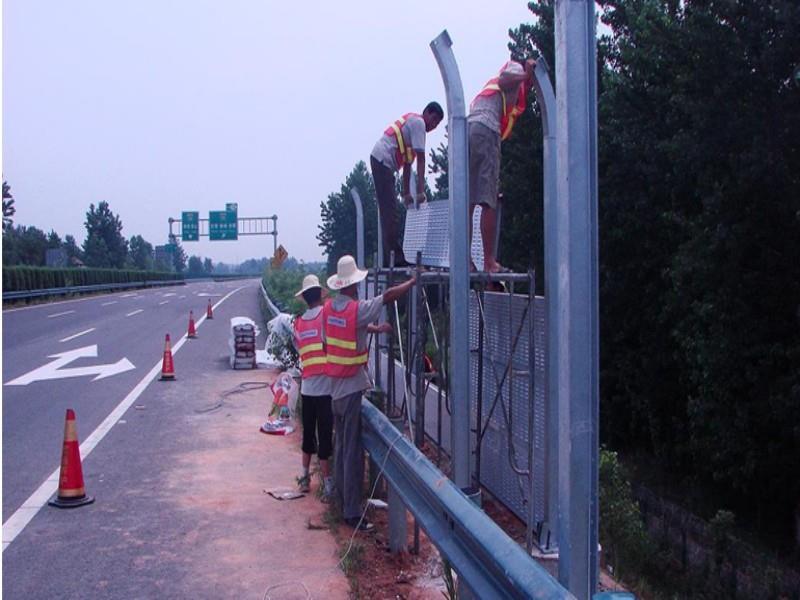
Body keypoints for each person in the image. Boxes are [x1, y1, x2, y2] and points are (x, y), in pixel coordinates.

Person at [324, 255, 416, 530]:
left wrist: (375, 328)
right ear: (353, 285)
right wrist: (412, 281)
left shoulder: (331, 309)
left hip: (334, 390)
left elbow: (345, 333)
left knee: (341, 449)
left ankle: (342, 501)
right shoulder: (357, 309)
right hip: (351, 390)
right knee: (352, 454)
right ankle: (352, 513)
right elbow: (387, 296)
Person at [468, 58, 535, 273]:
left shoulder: (503, 89)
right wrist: (526, 73)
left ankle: (465, 260)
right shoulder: (515, 70)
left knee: (468, 200)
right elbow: (507, 78)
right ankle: (489, 262)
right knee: (489, 200)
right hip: (487, 129)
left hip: (470, 129)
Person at [370, 102, 445, 267]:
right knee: (390, 213)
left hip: (381, 161)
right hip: (382, 161)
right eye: (433, 119)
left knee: (389, 212)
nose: (433, 125)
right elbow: (422, 159)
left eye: (437, 123)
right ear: (426, 112)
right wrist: (420, 191)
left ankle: (391, 257)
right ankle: (395, 259)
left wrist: (406, 194)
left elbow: (408, 166)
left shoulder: (411, 133)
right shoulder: (418, 123)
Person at [292, 274, 334, 501]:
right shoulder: (325, 317)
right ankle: (327, 487)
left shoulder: (299, 323)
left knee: (308, 436)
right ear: (320, 295)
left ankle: (305, 478)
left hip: (307, 387)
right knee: (325, 437)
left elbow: (299, 347)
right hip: (326, 387)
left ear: (305, 298)